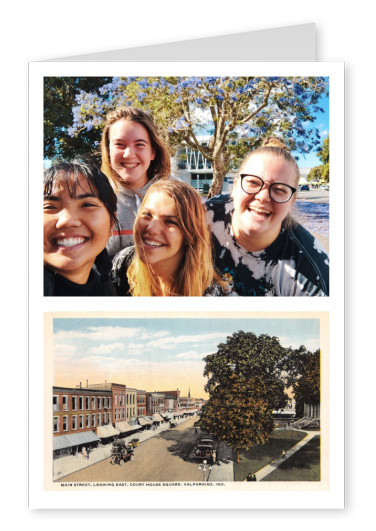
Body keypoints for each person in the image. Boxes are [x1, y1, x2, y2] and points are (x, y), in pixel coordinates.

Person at [206, 137, 329, 296]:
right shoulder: (203, 216)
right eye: (253, 183)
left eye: (279, 189)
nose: (263, 197)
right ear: (235, 186)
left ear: (292, 201)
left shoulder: (311, 274)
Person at [111, 180, 226, 296]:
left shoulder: (210, 294)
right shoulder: (122, 264)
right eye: (147, 215)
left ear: (190, 234)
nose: (152, 228)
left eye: (170, 221)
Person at [101, 106, 171, 257]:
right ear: (108, 151)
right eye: (119, 144)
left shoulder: (176, 196)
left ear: (152, 152)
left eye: (139, 144)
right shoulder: (95, 199)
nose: (129, 154)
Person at [44, 158, 118, 296]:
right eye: (49, 207)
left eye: (87, 205)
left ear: (112, 224)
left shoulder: (107, 291)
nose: (67, 221)